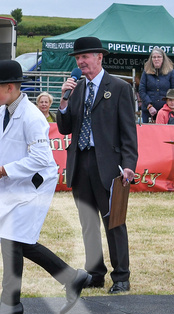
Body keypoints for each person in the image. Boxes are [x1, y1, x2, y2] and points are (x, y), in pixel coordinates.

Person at [0, 60, 92, 314]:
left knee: (13, 238)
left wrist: (2, 170)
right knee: (14, 239)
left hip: (34, 185)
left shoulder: (33, 117)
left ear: (10, 87)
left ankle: (12, 302)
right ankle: (68, 278)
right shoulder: (2, 112)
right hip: (16, 184)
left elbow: (42, 159)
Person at [56, 37, 138, 294]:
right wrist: (63, 101)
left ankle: (121, 276)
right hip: (80, 163)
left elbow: (128, 132)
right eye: (78, 58)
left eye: (85, 57)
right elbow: (64, 128)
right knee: (88, 223)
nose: (81, 62)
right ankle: (95, 272)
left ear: (99, 57)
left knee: (114, 222)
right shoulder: (76, 89)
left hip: (109, 164)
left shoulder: (119, 87)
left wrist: (128, 164)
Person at [138, 47, 174, 124]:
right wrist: (149, 106)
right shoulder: (146, 72)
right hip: (148, 111)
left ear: (163, 59)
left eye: (159, 57)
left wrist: (168, 107)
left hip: (166, 111)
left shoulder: (170, 72)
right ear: (151, 59)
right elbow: (142, 90)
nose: (156, 59)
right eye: (154, 57)